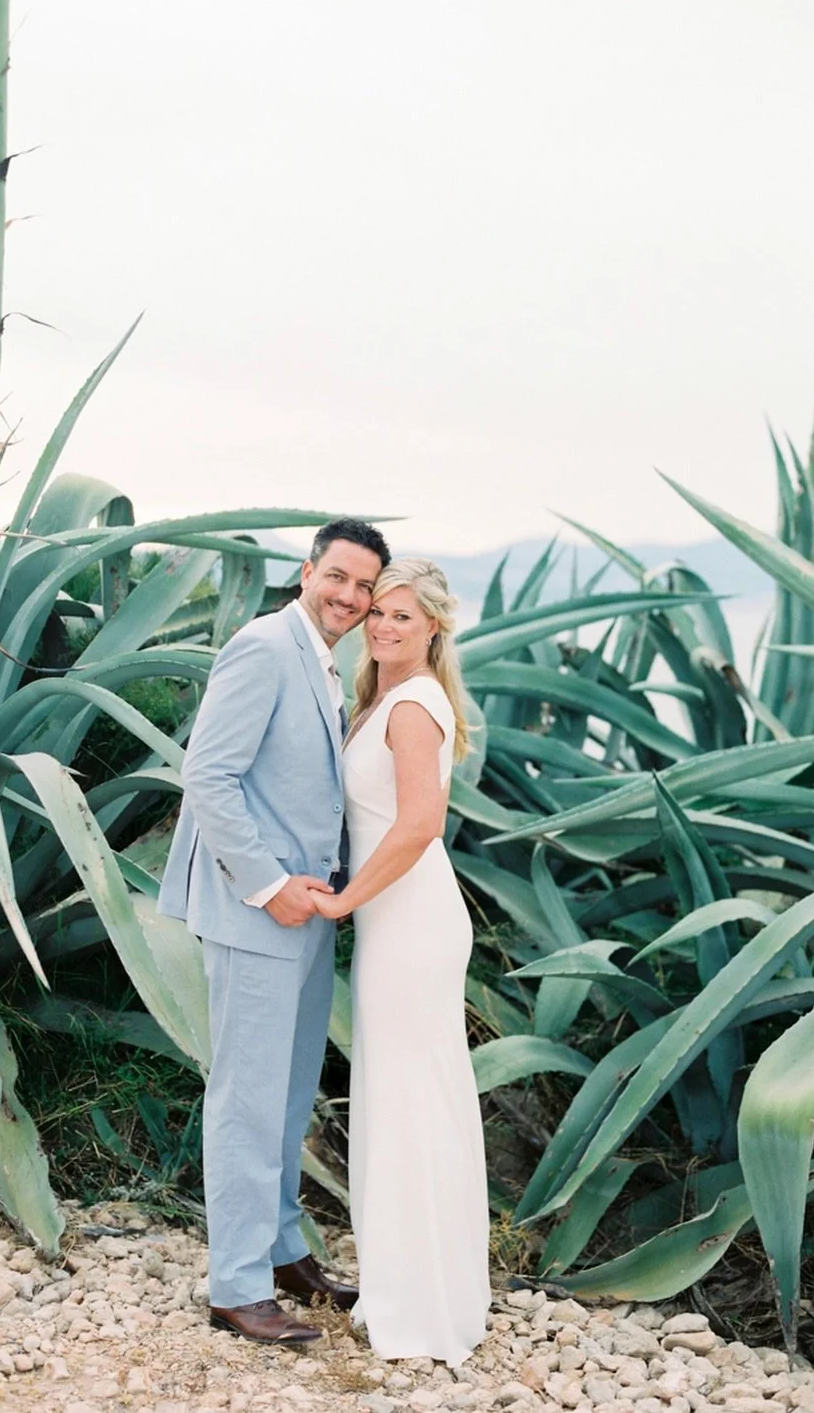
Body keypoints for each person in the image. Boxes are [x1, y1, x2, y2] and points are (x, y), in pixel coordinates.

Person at [158, 517, 391, 1345]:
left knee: (290, 1093)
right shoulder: (264, 646)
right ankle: (236, 1285)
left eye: (364, 586)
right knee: (248, 1098)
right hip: (258, 910)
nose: (350, 596)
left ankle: (285, 1250)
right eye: (338, 577)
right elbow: (208, 776)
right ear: (307, 570)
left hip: (309, 911)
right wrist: (266, 885)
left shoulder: (327, 662)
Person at [312, 558, 491, 1367]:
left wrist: (345, 901)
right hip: (399, 919)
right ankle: (423, 1290)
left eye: (402, 617)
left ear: (434, 629)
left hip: (410, 921)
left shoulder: (414, 705)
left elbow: (421, 822)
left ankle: (420, 1311)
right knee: (409, 1100)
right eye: (377, 611)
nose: (381, 625)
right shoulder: (387, 695)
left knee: (410, 1103)